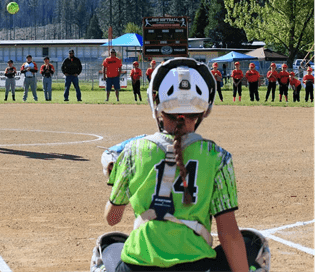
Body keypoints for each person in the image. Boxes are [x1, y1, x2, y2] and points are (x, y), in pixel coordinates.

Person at [92, 58, 270, 272]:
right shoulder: (218, 157)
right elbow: (228, 233)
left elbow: (112, 219)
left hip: (137, 266)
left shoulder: (133, 151)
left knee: (108, 246)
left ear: (157, 107)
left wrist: (119, 177)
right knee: (254, 245)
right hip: (195, 267)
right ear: (204, 110)